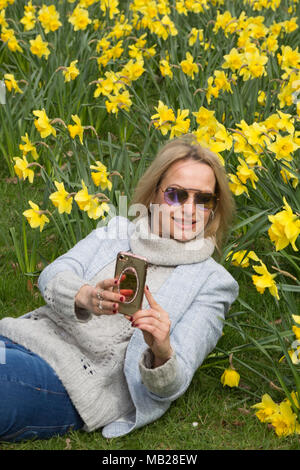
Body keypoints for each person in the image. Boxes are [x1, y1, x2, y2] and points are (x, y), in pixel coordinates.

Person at [0, 134, 239, 442]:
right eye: (177, 195)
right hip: (24, 338)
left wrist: (161, 350)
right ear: (154, 195)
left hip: (76, 382)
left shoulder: (212, 282)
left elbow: (172, 385)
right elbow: (53, 274)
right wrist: (86, 295)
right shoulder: (116, 232)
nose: (190, 209)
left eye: (203, 199)